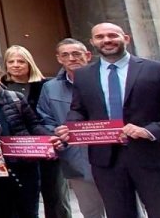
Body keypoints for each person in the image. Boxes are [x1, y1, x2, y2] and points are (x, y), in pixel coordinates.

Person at [56, 22, 160, 218]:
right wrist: (71, 127)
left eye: (112, 35)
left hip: (155, 159)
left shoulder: (158, 70)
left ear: (126, 38)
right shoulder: (84, 75)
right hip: (107, 163)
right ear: (92, 42)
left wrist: (150, 131)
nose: (106, 40)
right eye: (100, 37)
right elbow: (78, 110)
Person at [0, 59, 58, 218]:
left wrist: (49, 138)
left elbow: (33, 124)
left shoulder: (16, 98)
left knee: (29, 210)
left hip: (24, 163)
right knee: (3, 210)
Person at [36, 39, 105, 218]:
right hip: (76, 159)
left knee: (124, 208)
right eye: (65, 55)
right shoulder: (50, 88)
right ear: (59, 59)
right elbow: (45, 118)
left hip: (114, 157)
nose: (71, 58)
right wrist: (56, 135)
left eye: (76, 54)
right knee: (91, 211)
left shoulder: (107, 79)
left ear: (87, 55)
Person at [3, 45, 66, 218]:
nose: (16, 65)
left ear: (29, 63)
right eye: (11, 61)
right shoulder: (0, 86)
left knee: (55, 195)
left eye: (21, 61)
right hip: (18, 151)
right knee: (25, 200)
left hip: (47, 145)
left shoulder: (46, 85)